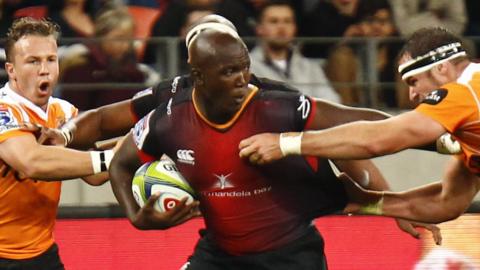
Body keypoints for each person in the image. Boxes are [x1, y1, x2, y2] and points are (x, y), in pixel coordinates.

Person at [108, 24, 441, 269]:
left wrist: (440, 136)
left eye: (244, 67)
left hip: (291, 256)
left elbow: (359, 127)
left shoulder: (278, 106)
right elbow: (119, 163)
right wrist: (138, 218)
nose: (241, 78)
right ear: (199, 74)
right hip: (220, 256)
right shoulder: (168, 118)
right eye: (228, 71)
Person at [238, 27, 480, 224]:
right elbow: (447, 202)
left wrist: (286, 142)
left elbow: (379, 139)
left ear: (441, 68)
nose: (412, 95)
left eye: (414, 81)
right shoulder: (470, 125)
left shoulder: (465, 93)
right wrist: (367, 202)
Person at [0, 17, 114, 269]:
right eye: (33, 61)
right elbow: (32, 161)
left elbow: (94, 175)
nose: (44, 69)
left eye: (51, 59)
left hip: (42, 253)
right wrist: (112, 158)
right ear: (12, 70)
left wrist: (141, 141)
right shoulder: (4, 111)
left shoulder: (64, 112)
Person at [60, 6, 159, 111]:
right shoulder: (80, 67)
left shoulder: (137, 72)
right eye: (119, 38)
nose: (125, 45)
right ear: (101, 36)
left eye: (129, 39)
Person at [249, 0, 340, 103]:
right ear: (259, 28)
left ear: (294, 28)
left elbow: (332, 101)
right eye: (274, 21)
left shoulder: (310, 67)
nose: (281, 27)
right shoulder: (248, 68)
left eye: (287, 21)